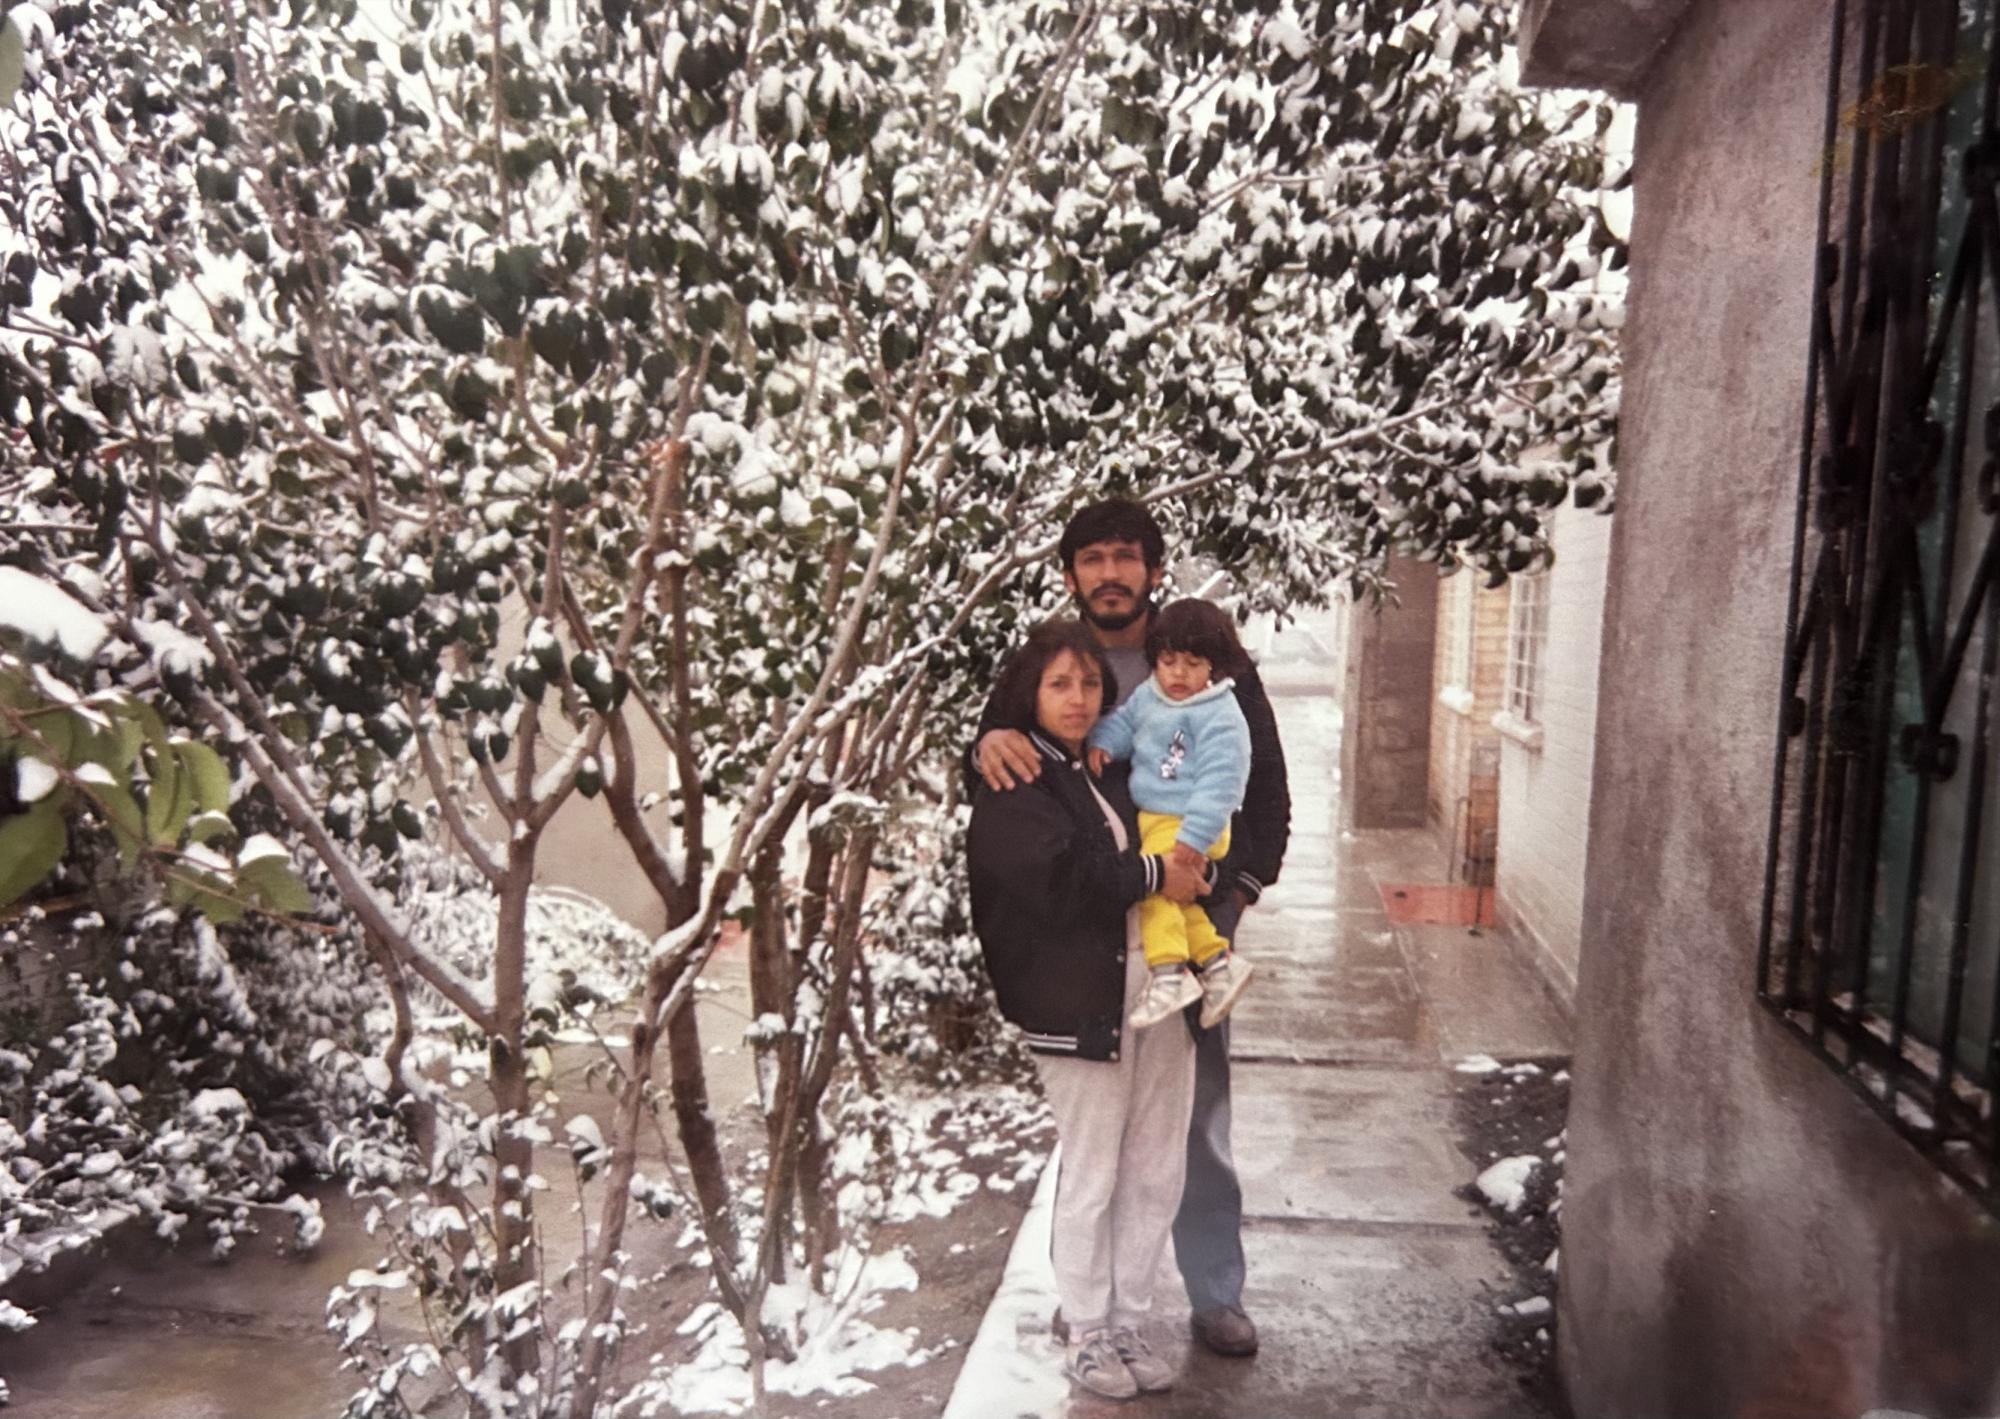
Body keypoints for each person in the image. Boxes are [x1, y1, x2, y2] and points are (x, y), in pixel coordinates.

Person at [971, 497, 1290, 1359]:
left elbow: (1264, 789)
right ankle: (1093, 1305)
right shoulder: (1049, 661)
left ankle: (1214, 1291)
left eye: (1125, 556)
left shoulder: (1210, 659)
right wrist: (986, 740)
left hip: (1186, 924)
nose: (1109, 573)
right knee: (1103, 1138)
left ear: (1153, 566)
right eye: (1091, 558)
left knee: (1193, 1124)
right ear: (1070, 572)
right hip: (1095, 940)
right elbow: (1008, 761)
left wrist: (1236, 893)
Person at [966, 618, 1211, 1400]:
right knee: (1095, 1170)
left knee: (1154, 1166)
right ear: (1029, 692)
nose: (1078, 699)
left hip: (1156, 985)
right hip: (1079, 1005)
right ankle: (1089, 1329)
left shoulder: (1098, 766)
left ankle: (1131, 1317)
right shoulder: (1015, 778)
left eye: (1090, 683)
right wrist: (1153, 873)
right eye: (1059, 683)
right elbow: (1062, 881)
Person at [1086, 598, 1257, 1031]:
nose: (1178, 673)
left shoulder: (1219, 714)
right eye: (1168, 661)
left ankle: (1168, 974)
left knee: (1156, 890)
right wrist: (1103, 742)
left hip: (1194, 821)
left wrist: (1194, 838)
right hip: (1158, 819)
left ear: (1214, 668)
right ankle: (1218, 965)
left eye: (1192, 663)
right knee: (1179, 904)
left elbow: (1223, 782)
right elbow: (1125, 724)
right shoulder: (1150, 695)